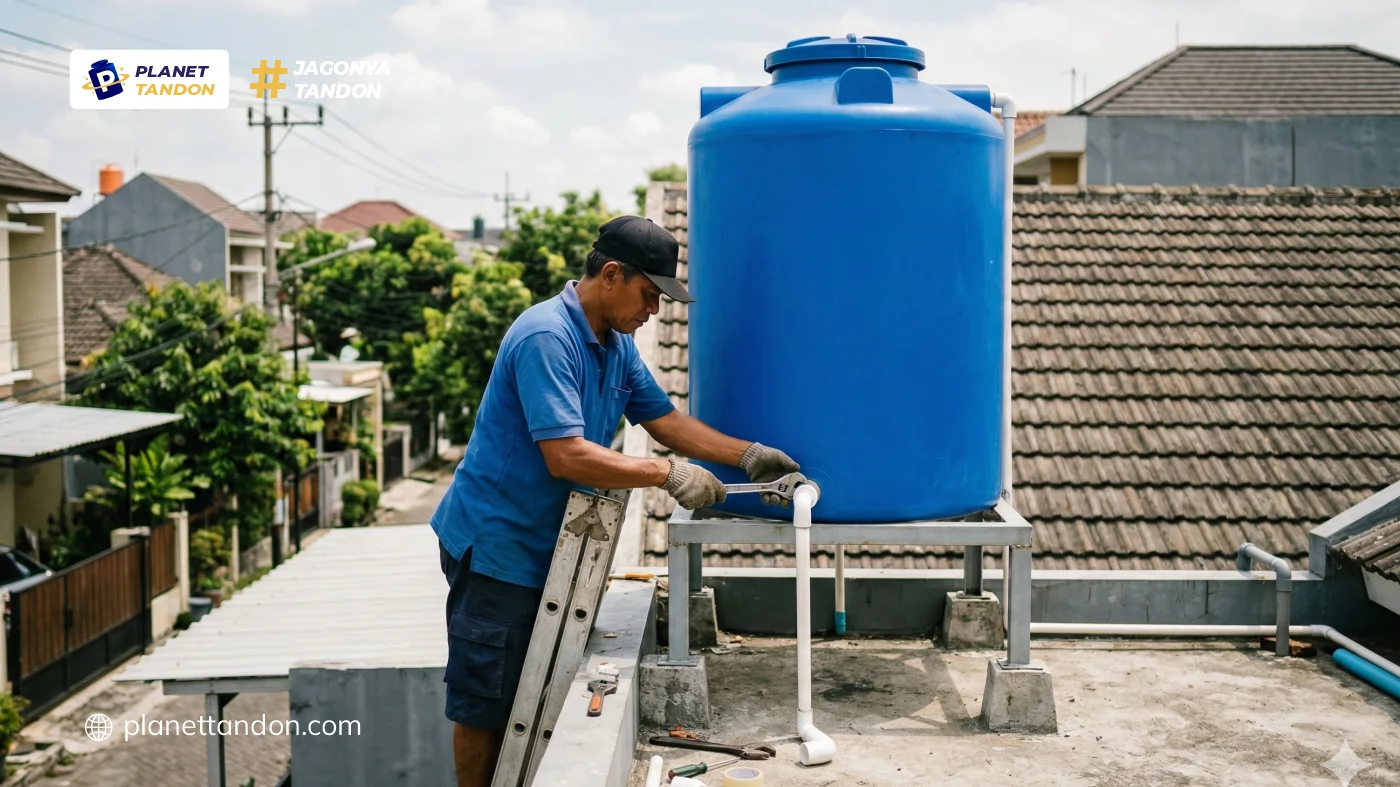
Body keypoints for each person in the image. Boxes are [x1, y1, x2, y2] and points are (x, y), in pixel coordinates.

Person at [429, 215, 800, 787]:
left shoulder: (615, 345)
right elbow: (567, 456)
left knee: (529, 694)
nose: (653, 311)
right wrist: (665, 474)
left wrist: (747, 454)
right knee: (485, 704)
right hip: (496, 548)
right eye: (648, 295)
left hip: (547, 549)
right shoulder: (546, 337)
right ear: (610, 275)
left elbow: (665, 420)